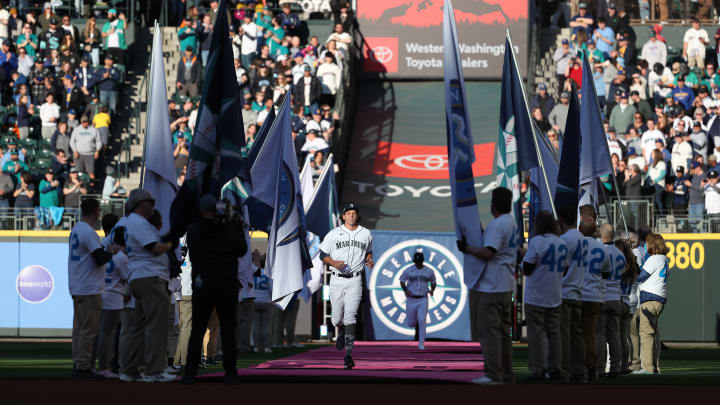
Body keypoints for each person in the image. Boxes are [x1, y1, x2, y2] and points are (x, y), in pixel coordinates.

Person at [183, 194, 248, 384]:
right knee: (228, 332)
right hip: (226, 285)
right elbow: (241, 250)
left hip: (203, 285)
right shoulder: (227, 229)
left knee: (197, 331)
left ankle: (190, 373)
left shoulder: (194, 229)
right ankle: (230, 373)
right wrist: (236, 226)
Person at [457, 187, 518, 385]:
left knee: (490, 332)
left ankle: (493, 374)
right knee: (504, 333)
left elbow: (488, 253)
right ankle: (507, 373)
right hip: (507, 284)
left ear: (493, 205)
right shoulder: (513, 222)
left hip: (492, 286)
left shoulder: (497, 224)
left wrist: (467, 248)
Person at [120, 189, 176, 383]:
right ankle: (154, 370)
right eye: (149, 202)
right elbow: (153, 248)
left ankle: (130, 370)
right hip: (150, 277)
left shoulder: (135, 222)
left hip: (142, 276)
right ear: (139, 204)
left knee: (139, 326)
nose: (153, 205)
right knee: (156, 326)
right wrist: (170, 243)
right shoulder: (138, 222)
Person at [67, 197, 121, 380]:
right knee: (89, 330)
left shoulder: (76, 228)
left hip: (78, 285)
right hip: (88, 287)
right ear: (96, 211)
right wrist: (111, 252)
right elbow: (99, 258)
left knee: (79, 329)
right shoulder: (88, 232)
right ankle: (83, 367)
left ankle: (78, 363)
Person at [320, 202, 374, 370]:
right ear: (343, 216)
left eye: (354, 213)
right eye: (348, 213)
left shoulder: (365, 233)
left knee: (351, 317)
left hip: (355, 280)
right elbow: (323, 254)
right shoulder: (334, 233)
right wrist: (333, 262)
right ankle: (340, 328)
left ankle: (348, 355)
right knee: (336, 318)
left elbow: (368, 251)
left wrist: (369, 259)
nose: (351, 215)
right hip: (336, 279)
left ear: (357, 216)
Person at [522, 211, 567, 381]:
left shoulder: (537, 241)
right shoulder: (561, 242)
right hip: (555, 294)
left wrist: (524, 255)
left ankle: (538, 369)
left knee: (537, 335)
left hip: (536, 296)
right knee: (554, 334)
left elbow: (527, 269)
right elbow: (566, 268)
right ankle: (555, 367)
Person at [96, 213, 129, 379]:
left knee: (102, 333)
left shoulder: (101, 248)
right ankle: (110, 366)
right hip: (115, 296)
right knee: (112, 335)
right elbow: (126, 278)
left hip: (102, 292)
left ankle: (102, 365)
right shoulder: (120, 255)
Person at [579, 214, 610, 382]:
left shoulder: (576, 243)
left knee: (575, 333)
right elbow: (606, 272)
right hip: (595, 295)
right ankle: (591, 366)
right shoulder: (601, 248)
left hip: (577, 293)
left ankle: (577, 366)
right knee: (590, 334)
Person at [633, 233, 669, 374]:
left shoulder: (653, 259)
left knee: (646, 334)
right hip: (659, 298)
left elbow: (640, 277)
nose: (646, 245)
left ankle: (647, 368)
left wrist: (634, 264)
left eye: (648, 243)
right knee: (654, 334)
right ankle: (655, 367)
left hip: (650, 298)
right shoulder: (664, 259)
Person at [596, 224, 624, 378]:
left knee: (600, 333)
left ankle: (600, 367)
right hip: (616, 296)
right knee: (614, 334)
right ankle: (615, 367)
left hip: (603, 296)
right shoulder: (620, 253)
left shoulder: (601, 251)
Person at [399, 251, 436, 350]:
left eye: (419, 262)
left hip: (423, 299)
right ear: (414, 261)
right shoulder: (408, 270)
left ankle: (421, 343)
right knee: (411, 323)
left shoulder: (429, 271)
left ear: (423, 261)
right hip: (411, 299)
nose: (418, 263)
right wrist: (405, 290)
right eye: (416, 261)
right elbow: (402, 281)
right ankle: (414, 324)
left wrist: (432, 290)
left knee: (422, 320)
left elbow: (433, 282)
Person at [616, 238, 639, 375]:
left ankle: (616, 365)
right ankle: (625, 365)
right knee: (625, 337)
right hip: (629, 300)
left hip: (619, 299)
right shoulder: (632, 263)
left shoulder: (619, 263)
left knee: (617, 336)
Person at [252, 253, 273, 353]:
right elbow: (271, 288)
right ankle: (266, 347)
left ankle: (256, 346)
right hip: (266, 301)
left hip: (255, 300)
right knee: (266, 325)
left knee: (255, 325)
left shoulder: (255, 272)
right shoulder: (269, 273)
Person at [70, 115, 102, 180]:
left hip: (90, 155)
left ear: (88, 122)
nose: (84, 123)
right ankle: (80, 187)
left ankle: (92, 187)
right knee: (78, 172)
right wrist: (75, 151)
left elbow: (98, 141)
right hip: (79, 154)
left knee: (91, 172)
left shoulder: (94, 130)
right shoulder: (76, 129)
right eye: (82, 122)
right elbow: (72, 141)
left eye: (85, 122)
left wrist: (97, 150)